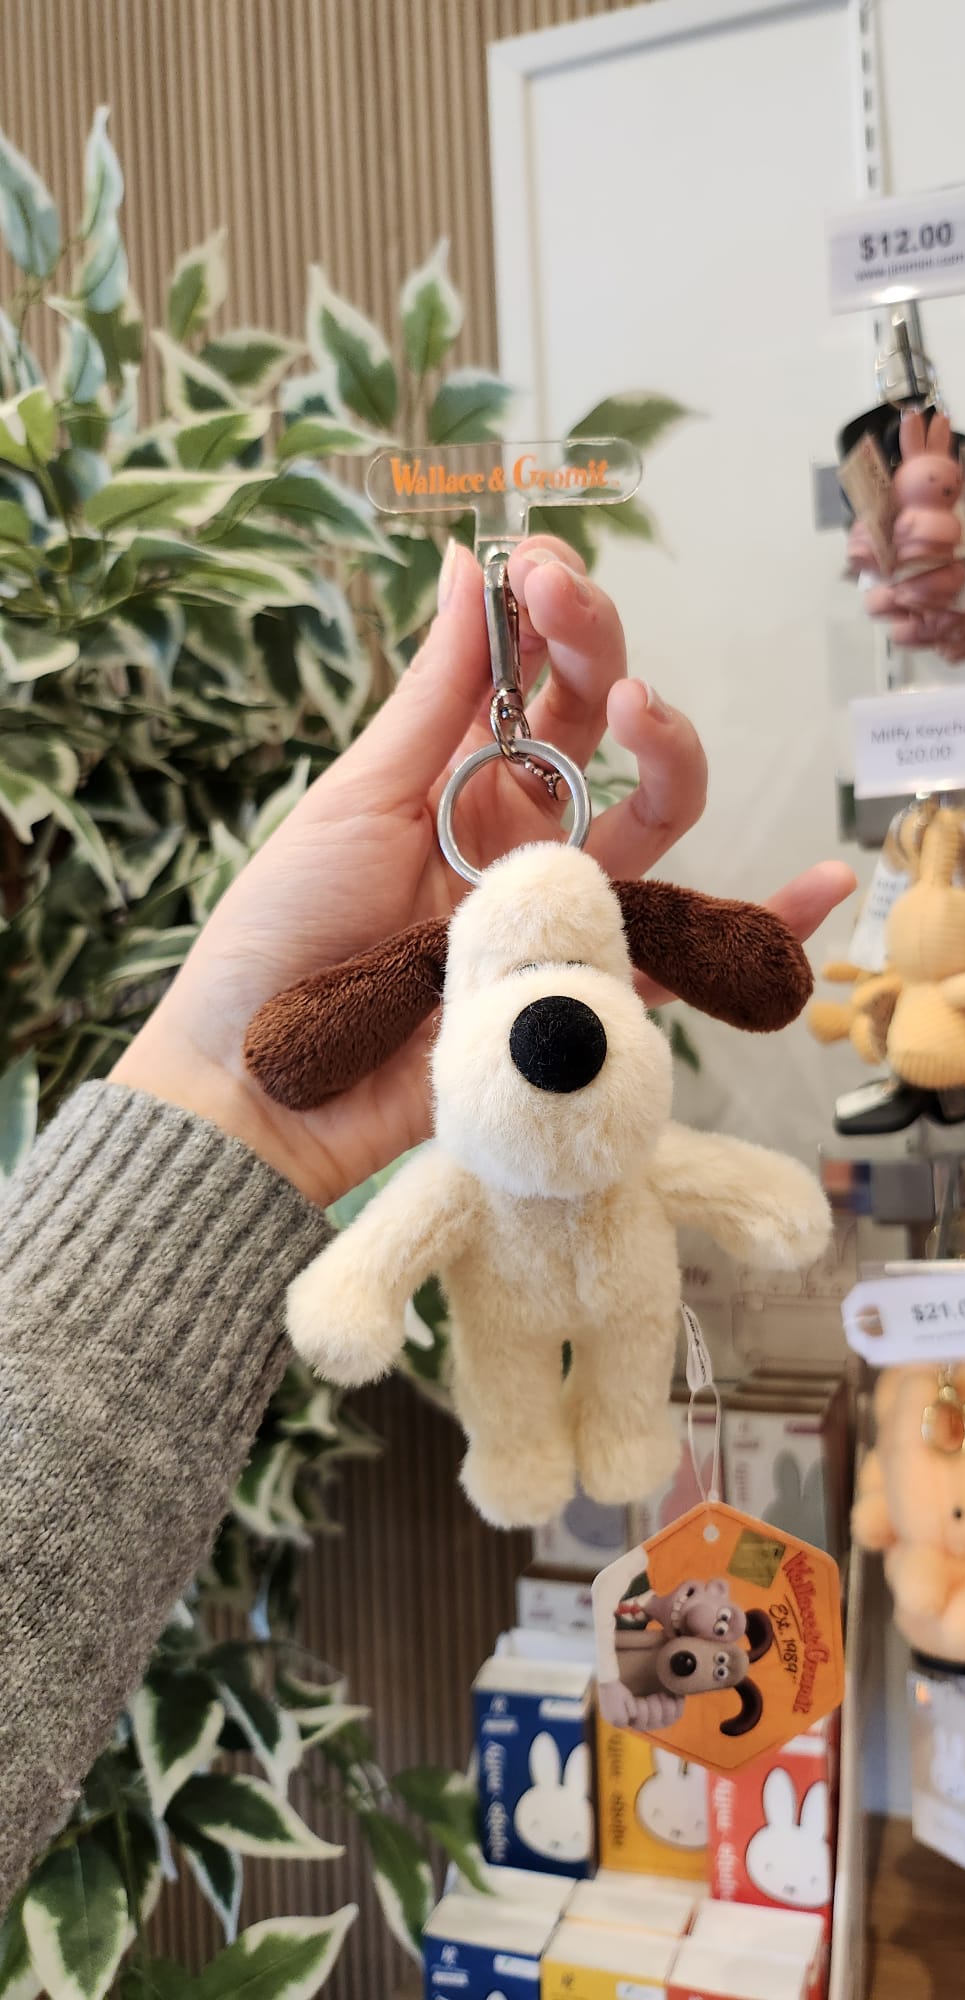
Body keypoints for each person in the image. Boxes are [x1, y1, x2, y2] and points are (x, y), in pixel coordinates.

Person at [0, 537, 854, 1899]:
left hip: (624, 1273)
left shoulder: (591, 1112)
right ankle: (522, 1448)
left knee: (629, 1372)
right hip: (507, 1287)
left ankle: (619, 1433)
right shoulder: (461, 1147)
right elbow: (380, 1237)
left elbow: (705, 1174)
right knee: (508, 1388)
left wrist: (764, 1203)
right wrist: (340, 1267)